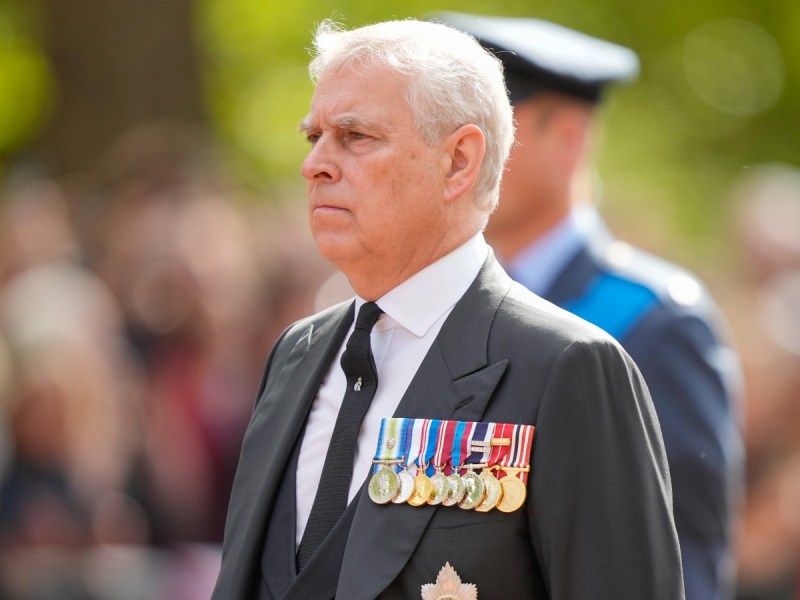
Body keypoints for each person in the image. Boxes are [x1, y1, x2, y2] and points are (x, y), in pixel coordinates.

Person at [212, 18, 684, 599]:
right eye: (315, 138)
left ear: (459, 162)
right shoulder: (298, 352)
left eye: (356, 137)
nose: (317, 165)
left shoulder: (566, 366)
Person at [435, 11, 745, 600]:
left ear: (568, 139)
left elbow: (683, 562)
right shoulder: (436, 300)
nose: (457, 153)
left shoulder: (653, 322)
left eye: (490, 128)